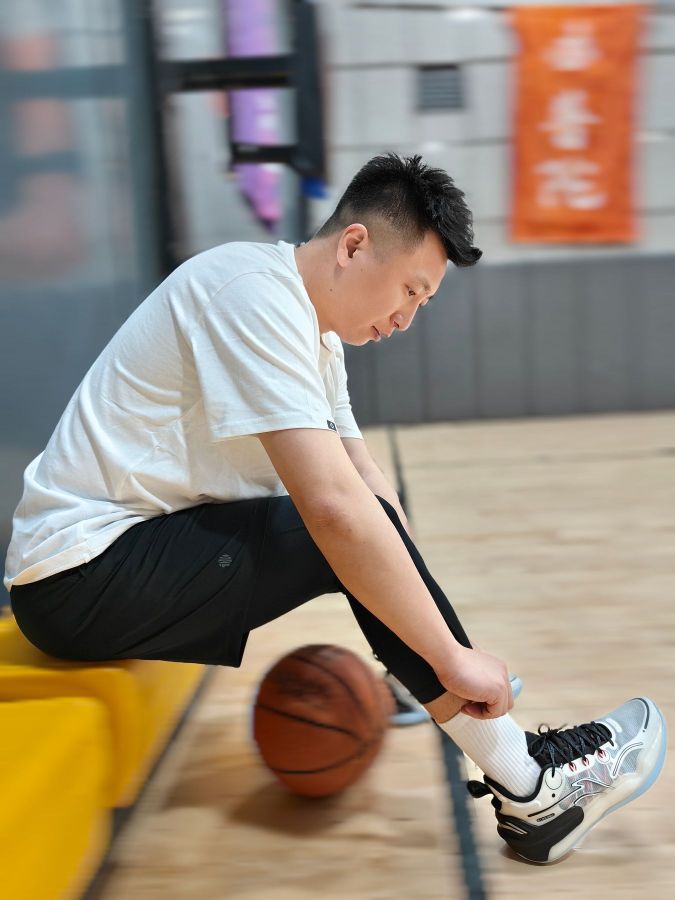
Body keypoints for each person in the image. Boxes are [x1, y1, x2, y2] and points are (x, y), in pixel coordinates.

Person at [5, 154, 666, 864]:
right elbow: (331, 511)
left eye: (422, 304)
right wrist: (448, 658)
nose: (405, 319)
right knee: (330, 526)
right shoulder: (250, 294)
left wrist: (430, 645)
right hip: (78, 578)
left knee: (359, 519)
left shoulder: (314, 334)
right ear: (353, 245)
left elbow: (367, 486)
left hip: (123, 561)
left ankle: (473, 732)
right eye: (409, 290)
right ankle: (531, 786)